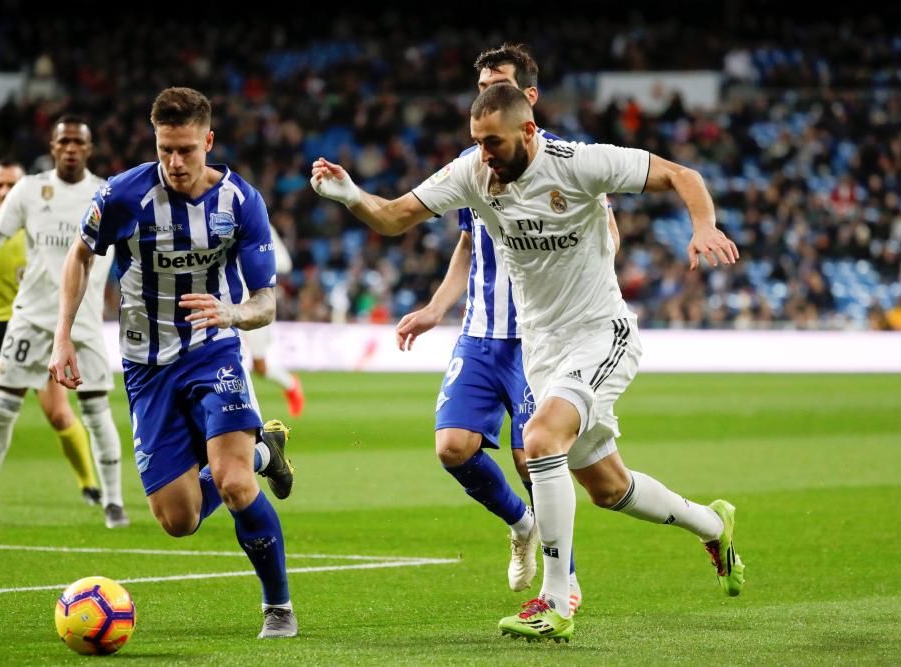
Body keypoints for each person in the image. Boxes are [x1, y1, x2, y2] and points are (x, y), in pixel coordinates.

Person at [312, 83, 744, 642]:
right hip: (542, 348)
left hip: (599, 333)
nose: (483, 154)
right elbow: (395, 217)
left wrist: (703, 224)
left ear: (529, 131)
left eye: (493, 142)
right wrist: (351, 196)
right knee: (607, 487)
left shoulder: (581, 163)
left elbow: (684, 175)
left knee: (539, 440)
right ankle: (713, 524)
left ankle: (557, 600)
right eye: (476, 142)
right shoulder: (472, 173)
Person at [48, 87, 298, 639]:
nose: (175, 162)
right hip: (147, 366)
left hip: (214, 354)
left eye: (186, 149)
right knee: (178, 520)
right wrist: (62, 336)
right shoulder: (123, 196)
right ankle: (264, 452)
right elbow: (81, 254)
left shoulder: (241, 203)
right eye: (165, 150)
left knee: (232, 485)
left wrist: (230, 313)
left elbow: (266, 303)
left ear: (208, 141)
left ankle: (277, 607)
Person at [394, 44, 613, 614]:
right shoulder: (479, 163)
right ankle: (521, 525)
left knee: (533, 456)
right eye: (482, 84)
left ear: (527, 97)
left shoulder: (567, 162)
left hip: (543, 334)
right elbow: (468, 243)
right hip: (482, 330)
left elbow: (606, 234)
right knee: (453, 447)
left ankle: (562, 579)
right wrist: (438, 307)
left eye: (498, 83)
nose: (485, 94)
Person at [0, 118, 129, 530]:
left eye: (77, 142)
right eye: (63, 141)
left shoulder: (105, 193)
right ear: (53, 145)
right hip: (30, 317)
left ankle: (114, 502)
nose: (70, 148)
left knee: (96, 411)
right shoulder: (30, 189)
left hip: (83, 323)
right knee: (4, 405)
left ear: (89, 147)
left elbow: (127, 247)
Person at [0, 160, 102, 502]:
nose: (3, 191)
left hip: (35, 329)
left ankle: (89, 485)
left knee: (58, 415)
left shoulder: (39, 231)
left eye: (11, 185)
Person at [240, 227, 306, 417]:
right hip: (227, 303)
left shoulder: (258, 223)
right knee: (231, 355)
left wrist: (255, 261)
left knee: (260, 365)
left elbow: (285, 264)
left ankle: (291, 385)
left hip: (256, 303)